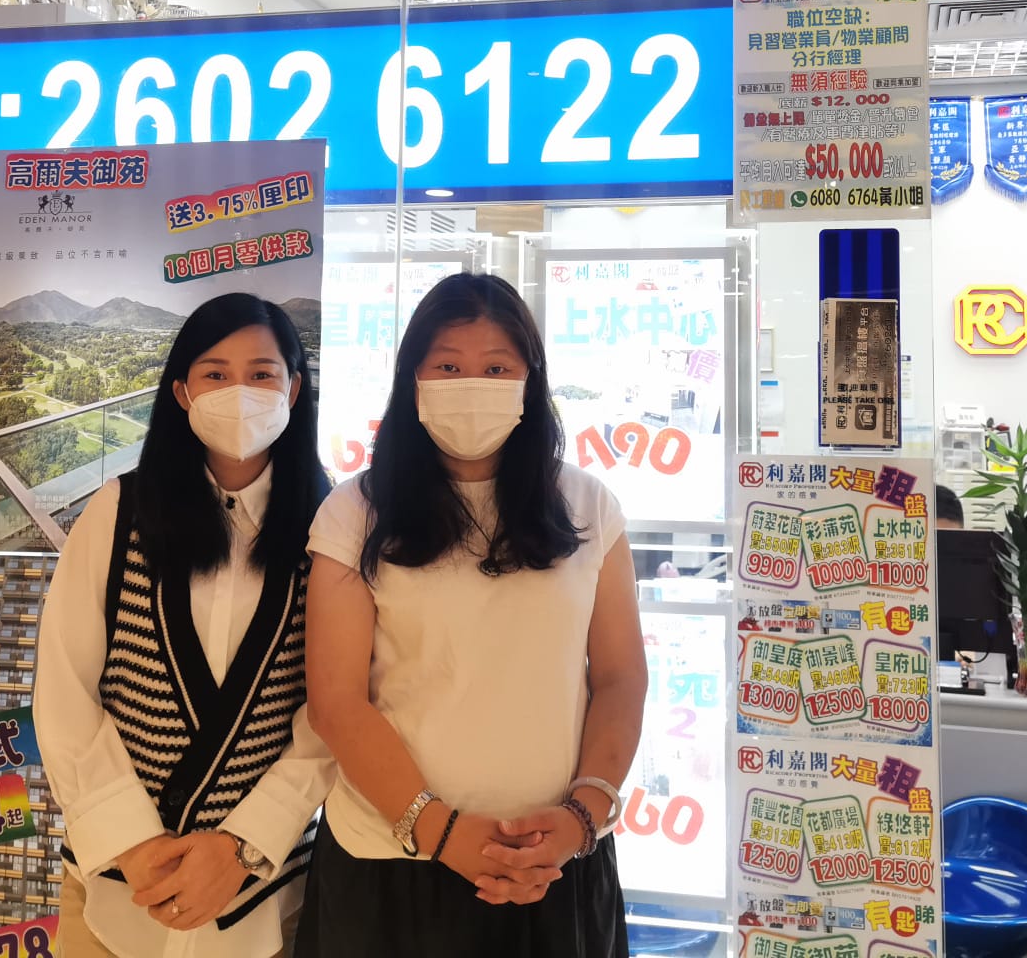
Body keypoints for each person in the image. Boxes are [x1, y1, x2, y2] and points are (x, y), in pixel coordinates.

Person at [299, 273, 647, 957]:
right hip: (391, 867)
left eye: (496, 368)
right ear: (413, 380)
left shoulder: (589, 507)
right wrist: (442, 831)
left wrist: (582, 816)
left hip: (556, 865)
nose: (472, 385)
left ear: (529, 381)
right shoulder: (354, 511)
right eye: (448, 367)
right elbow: (336, 702)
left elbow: (619, 677)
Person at [35, 292, 335, 957]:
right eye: (215, 374)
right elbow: (64, 687)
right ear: (182, 392)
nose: (240, 392)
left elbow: (332, 713)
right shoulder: (118, 512)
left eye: (262, 374)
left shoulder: (333, 526)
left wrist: (243, 845)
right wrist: (131, 841)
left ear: (294, 387)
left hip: (262, 898)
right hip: (117, 896)